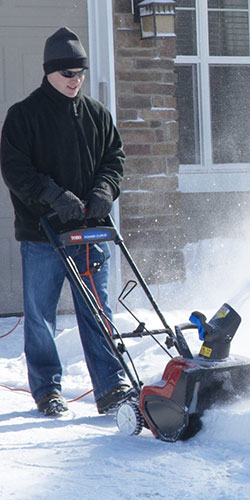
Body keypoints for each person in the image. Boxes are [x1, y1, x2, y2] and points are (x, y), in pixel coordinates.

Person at [0, 27, 131, 417]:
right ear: (49, 72)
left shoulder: (96, 114)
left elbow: (114, 159)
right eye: (68, 74)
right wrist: (55, 196)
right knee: (40, 314)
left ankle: (110, 386)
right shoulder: (24, 116)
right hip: (44, 235)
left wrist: (104, 192)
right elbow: (16, 169)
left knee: (97, 310)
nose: (76, 81)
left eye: (81, 73)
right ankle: (47, 391)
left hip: (90, 232)